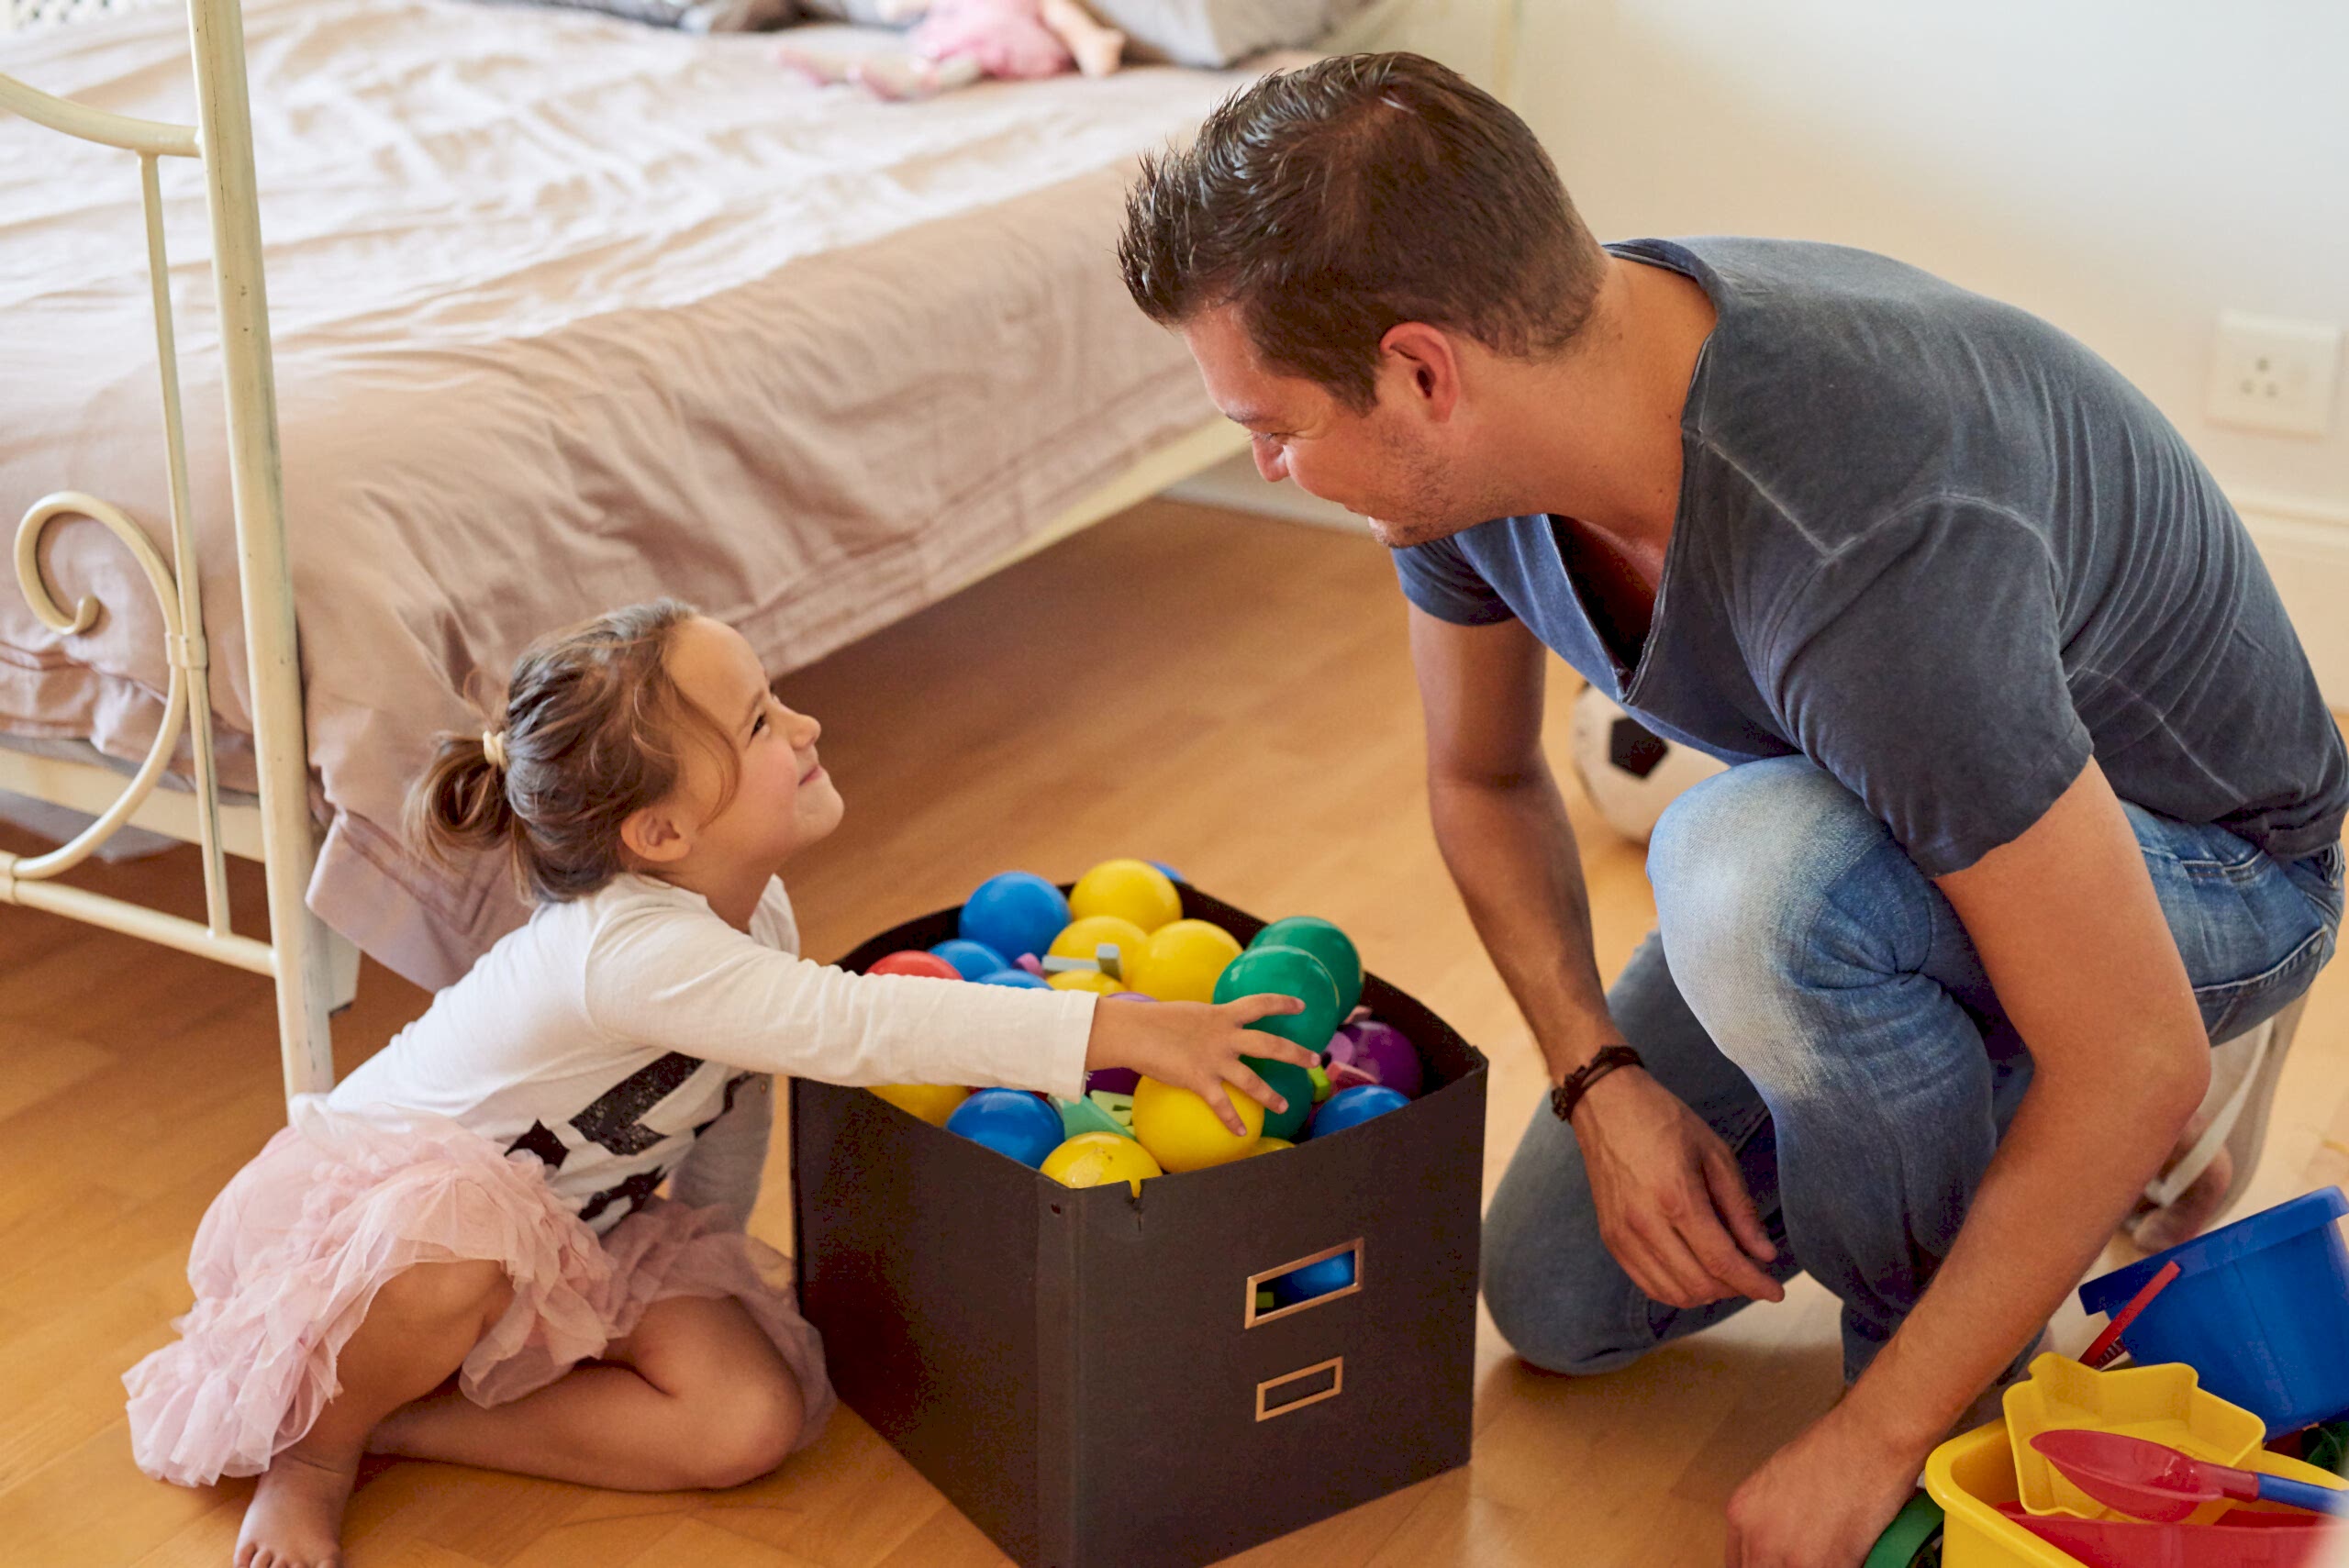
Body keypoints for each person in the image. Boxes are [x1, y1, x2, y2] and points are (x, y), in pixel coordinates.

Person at [1117, 52, 2347, 1568]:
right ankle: (2022, 1131)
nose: (1268, 464)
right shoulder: (1484, 446)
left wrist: (1873, 1439)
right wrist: (1600, 1079)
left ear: (1421, 371)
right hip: (1908, 820)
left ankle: (1955, 1379)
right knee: (1559, 1297)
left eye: (1275, 423)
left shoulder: (1864, 530)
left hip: (2209, 865)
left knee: (1751, 878)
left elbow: (2137, 1049)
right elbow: (1482, 775)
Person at [124, 599, 1312, 1568]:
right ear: (657, 835)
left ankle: (404, 1420)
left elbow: (736, 1094)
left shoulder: (752, 910)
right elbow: (858, 1025)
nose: (805, 724)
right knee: (455, 1254)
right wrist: (1117, 1026)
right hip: (394, 1239)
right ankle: (313, 1456)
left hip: (587, 1228)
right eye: (759, 723)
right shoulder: (631, 950)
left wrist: (709, 1250)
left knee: (746, 1419)